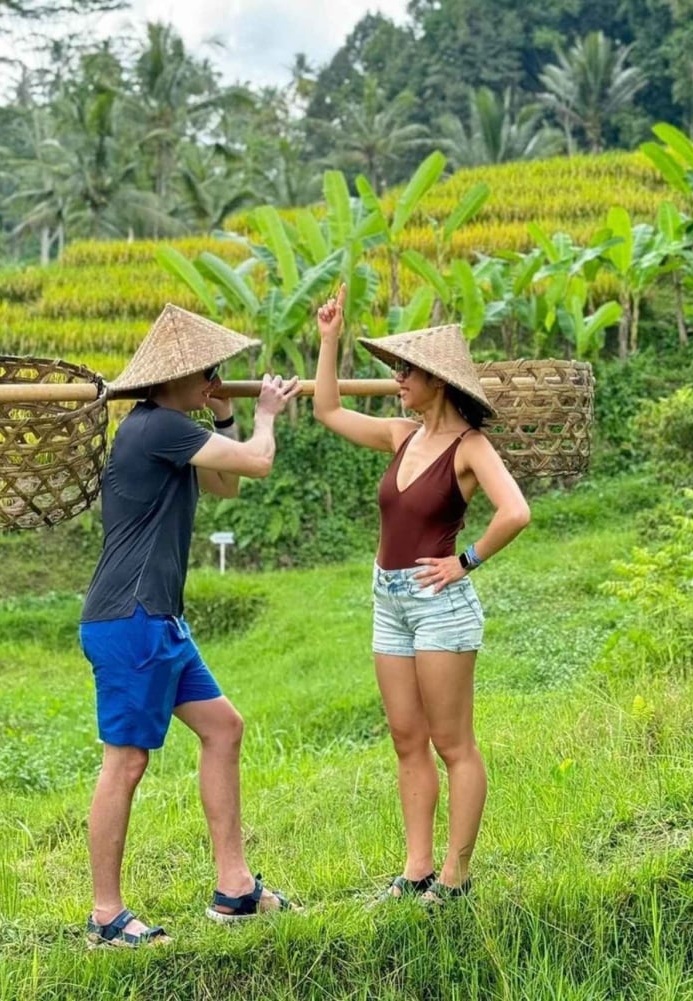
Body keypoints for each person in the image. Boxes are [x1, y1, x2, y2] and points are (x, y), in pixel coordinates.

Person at [78, 304, 300, 948]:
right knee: (126, 762)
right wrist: (264, 417)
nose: (215, 379)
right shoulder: (155, 428)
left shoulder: (174, 429)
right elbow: (257, 464)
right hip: (131, 620)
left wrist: (228, 414)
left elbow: (225, 485)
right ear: (174, 379)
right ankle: (105, 915)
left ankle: (234, 889)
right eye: (208, 372)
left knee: (224, 728)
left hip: (159, 621)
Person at [311, 286, 530, 907]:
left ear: (437, 381)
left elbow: (516, 512)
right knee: (406, 738)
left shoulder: (471, 448)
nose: (396, 379)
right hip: (390, 601)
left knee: (451, 743)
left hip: (440, 606)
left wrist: (466, 562)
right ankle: (416, 870)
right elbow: (328, 410)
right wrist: (329, 340)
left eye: (405, 371)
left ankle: (456, 878)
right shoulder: (400, 435)